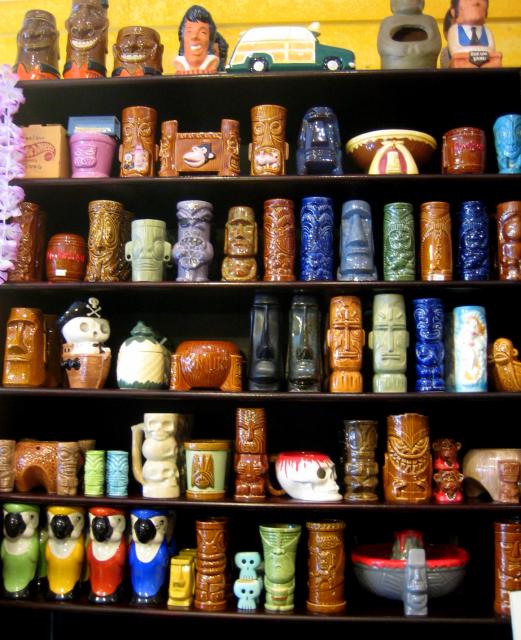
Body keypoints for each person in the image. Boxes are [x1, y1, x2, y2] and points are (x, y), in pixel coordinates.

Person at [447, 0, 501, 66]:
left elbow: (491, 50)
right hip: (463, 63)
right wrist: (477, 54)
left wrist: (475, 54)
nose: (476, 2)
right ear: (453, 11)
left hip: (486, 63)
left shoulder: (487, 31)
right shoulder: (454, 30)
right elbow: (455, 51)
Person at [173, 5, 219, 74]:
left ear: (210, 39)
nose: (194, 36)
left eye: (202, 32)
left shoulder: (212, 62)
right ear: (182, 38)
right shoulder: (179, 63)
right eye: (189, 31)